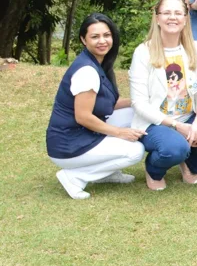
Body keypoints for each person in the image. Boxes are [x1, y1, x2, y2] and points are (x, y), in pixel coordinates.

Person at [129, 0, 197, 191]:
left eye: (178, 13)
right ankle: (154, 170)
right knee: (175, 148)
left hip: (188, 116)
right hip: (156, 122)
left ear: (186, 18)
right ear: (157, 17)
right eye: (166, 13)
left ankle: (191, 165)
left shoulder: (193, 48)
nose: (172, 17)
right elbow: (139, 103)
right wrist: (176, 126)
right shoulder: (143, 52)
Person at [46, 14, 144, 200]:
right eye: (95, 37)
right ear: (83, 39)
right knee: (135, 151)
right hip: (68, 145)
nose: (102, 41)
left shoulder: (98, 64)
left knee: (134, 112)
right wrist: (119, 132)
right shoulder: (87, 71)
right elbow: (83, 117)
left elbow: (108, 104)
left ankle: (107, 172)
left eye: (106, 35)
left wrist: (138, 101)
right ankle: (74, 177)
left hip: (81, 135)